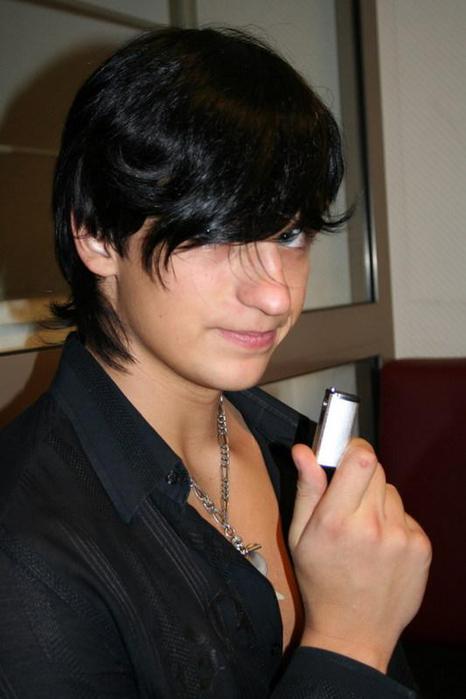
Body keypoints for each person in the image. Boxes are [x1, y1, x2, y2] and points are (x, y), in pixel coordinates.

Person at [0, 27, 431, 698]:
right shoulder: (26, 551)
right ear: (96, 235)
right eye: (217, 232)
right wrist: (351, 639)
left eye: (289, 232)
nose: (276, 294)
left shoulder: (295, 448)